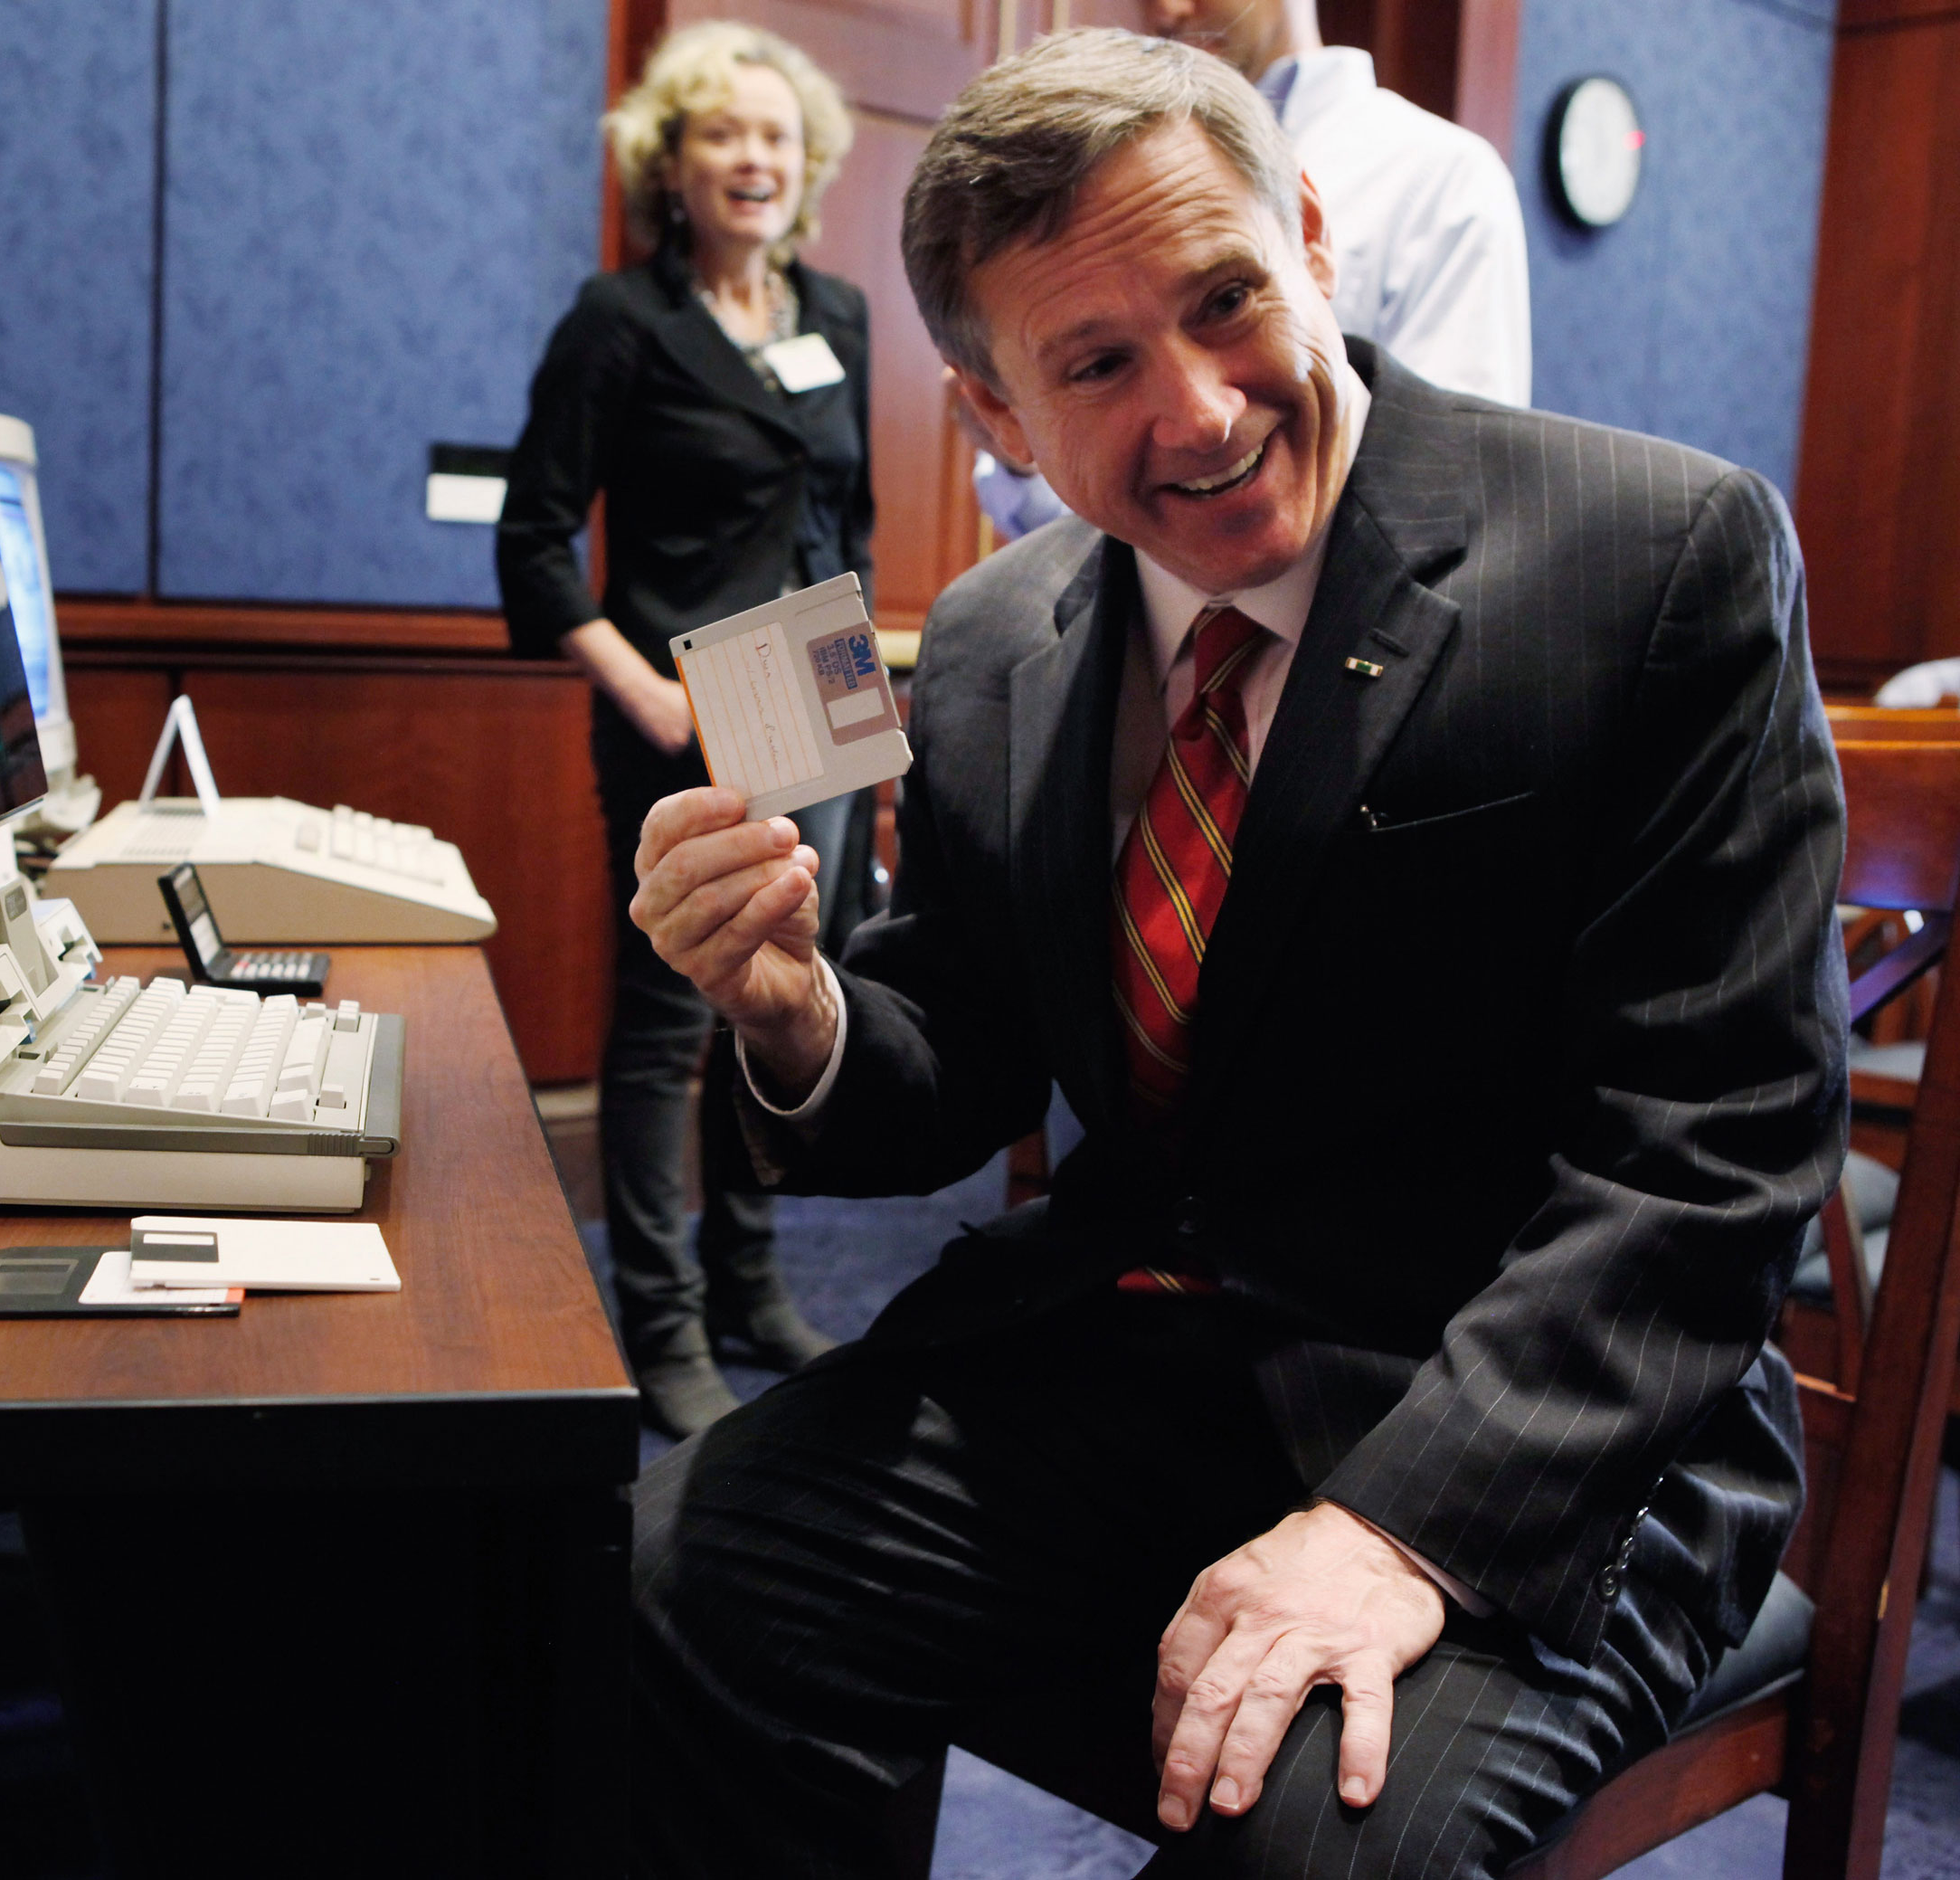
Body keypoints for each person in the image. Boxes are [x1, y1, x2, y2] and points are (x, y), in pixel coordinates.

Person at [626, 28, 1843, 1879]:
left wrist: (1399, 1528)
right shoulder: (989, 639)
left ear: (1318, 246)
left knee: (1314, 1833)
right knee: (703, 1560)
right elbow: (951, 1047)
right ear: (998, 421)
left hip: (1550, 1423)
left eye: (1226, 300)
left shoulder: (1652, 557)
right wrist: (794, 1009)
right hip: (1158, 1363)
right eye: (1099, 363)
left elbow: (1719, 1144)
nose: (1197, 409)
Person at [498, 21, 871, 1437]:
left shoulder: (838, 311)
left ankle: (750, 1285)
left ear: (807, 162)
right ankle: (657, 1322)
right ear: (673, 161)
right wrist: (644, 689)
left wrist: (861, 693)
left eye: (777, 136)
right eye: (726, 134)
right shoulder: (618, 321)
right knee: (667, 1027)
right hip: (677, 718)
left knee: (782, 999)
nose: (755, 158)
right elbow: (536, 545)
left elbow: (851, 527)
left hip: (819, 700)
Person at [971, 0, 1530, 540]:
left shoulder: (1437, 174)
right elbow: (1104, 550)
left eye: (1228, 301)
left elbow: (1450, 476)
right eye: (1101, 364)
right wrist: (1029, 458)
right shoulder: (1108, 192)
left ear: (1313, 234)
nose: (1170, 9)